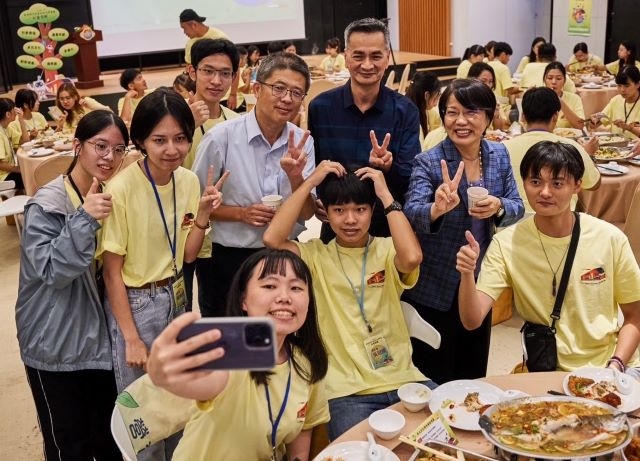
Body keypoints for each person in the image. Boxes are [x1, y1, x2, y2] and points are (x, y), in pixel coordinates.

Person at [263, 163, 430, 440]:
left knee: (442, 441)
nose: (350, 219)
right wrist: (310, 181)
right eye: (339, 210)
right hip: (346, 392)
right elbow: (272, 238)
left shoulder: (387, 248)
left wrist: (386, 195)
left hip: (405, 379)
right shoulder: (315, 255)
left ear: (372, 211)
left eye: (360, 209)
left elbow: (412, 258)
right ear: (326, 214)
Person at [456, 141, 640, 372]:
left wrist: (616, 364)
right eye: (535, 182)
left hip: (611, 364)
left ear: (577, 186)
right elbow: (472, 321)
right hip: (547, 368)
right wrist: (466, 273)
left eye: (557, 183)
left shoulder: (610, 238)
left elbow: (635, 317)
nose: (545, 192)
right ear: (524, 184)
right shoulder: (506, 244)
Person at [15, 110, 128, 461]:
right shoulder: (46, 205)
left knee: (108, 437)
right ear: (77, 146)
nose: (110, 157)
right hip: (55, 342)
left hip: (98, 340)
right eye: (101, 146)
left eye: (120, 148)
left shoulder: (112, 195)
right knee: (68, 443)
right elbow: (53, 271)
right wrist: (84, 219)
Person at [99, 88, 226, 395]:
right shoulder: (120, 189)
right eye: (159, 140)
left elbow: (189, 255)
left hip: (177, 293)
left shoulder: (188, 181)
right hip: (137, 304)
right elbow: (111, 273)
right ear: (141, 140)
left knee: (178, 397)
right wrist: (131, 337)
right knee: (142, 403)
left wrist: (204, 214)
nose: (172, 149)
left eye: (180, 138)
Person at [147, 249, 329, 460]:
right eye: (270, 286)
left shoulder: (306, 363)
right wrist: (166, 374)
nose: (284, 297)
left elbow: (301, 442)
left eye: (296, 288)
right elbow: (208, 383)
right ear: (244, 299)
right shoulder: (226, 352)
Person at [403, 79, 524, 384]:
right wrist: (437, 208)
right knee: (434, 370)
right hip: (436, 282)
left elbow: (517, 206)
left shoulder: (499, 155)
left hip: (481, 279)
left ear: (487, 115)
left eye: (470, 112)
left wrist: (498, 206)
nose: (460, 121)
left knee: (473, 369)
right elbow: (411, 212)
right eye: (451, 112)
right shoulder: (428, 162)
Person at [192, 52, 316, 318]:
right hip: (229, 257)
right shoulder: (220, 139)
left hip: (284, 256)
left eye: (296, 93)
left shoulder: (302, 141)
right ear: (257, 89)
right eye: (279, 88)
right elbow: (194, 206)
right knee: (228, 341)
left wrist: (296, 177)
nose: (287, 98)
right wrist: (241, 213)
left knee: (278, 341)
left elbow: (307, 213)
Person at [308, 17, 421, 240]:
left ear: (387, 58)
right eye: (358, 55)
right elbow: (316, 168)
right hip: (337, 229)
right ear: (345, 58)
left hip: (387, 229)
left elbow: (412, 179)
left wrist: (388, 166)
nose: (367, 65)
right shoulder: (320, 107)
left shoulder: (405, 110)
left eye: (376, 56)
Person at [183, 38, 240, 314]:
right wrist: (186, 126)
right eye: (208, 71)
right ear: (192, 72)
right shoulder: (174, 118)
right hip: (183, 233)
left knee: (229, 305)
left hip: (226, 234)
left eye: (225, 73)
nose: (216, 80)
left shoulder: (235, 120)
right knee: (189, 310)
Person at [503, 87, 600, 214]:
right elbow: (594, 184)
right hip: (558, 226)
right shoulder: (572, 148)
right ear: (555, 117)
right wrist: (589, 155)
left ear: (523, 117)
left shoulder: (502, 149)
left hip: (510, 224)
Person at [468, 62, 510, 131]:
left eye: (490, 81)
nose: (488, 85)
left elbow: (499, 129)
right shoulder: (465, 98)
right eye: (483, 81)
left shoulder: (492, 97)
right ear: (472, 79)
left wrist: (496, 116)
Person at [543, 61, 585, 129]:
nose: (553, 82)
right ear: (544, 80)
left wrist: (560, 101)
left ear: (564, 81)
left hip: (566, 138)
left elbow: (580, 126)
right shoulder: (537, 98)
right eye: (550, 78)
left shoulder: (574, 99)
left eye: (558, 78)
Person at [405, 71, 441, 144]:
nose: (436, 104)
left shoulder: (426, 110)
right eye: (435, 98)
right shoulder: (411, 119)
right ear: (427, 96)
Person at [0, 98, 23, 189]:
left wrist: (21, 120)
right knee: (30, 176)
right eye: (14, 110)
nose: (16, 112)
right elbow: (1, 164)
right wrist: (19, 169)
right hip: (3, 178)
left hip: (8, 173)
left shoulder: (6, 128)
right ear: (8, 114)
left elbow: (25, 141)